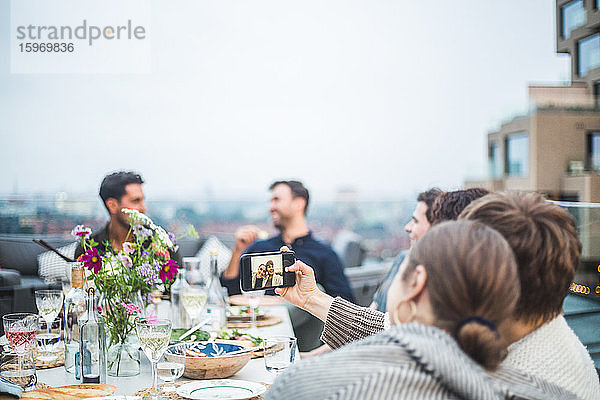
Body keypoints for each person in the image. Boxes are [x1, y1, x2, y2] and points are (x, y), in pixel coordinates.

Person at [277, 191, 599, 400]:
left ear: (492, 271)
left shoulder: (535, 378)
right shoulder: (522, 330)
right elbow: (393, 329)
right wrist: (312, 299)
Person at [220, 180, 354, 302]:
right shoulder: (260, 247)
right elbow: (230, 293)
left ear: (298, 204)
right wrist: (237, 251)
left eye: (276, 200)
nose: (270, 207)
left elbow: (345, 304)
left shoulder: (324, 254)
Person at [74, 171, 181, 265]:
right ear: (112, 205)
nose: (143, 208)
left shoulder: (160, 242)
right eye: (135, 201)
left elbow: (179, 283)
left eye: (143, 200)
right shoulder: (88, 248)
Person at [370, 188, 442, 312]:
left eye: (415, 221)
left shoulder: (438, 279)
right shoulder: (402, 258)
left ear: (435, 229)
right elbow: (372, 310)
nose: (407, 227)